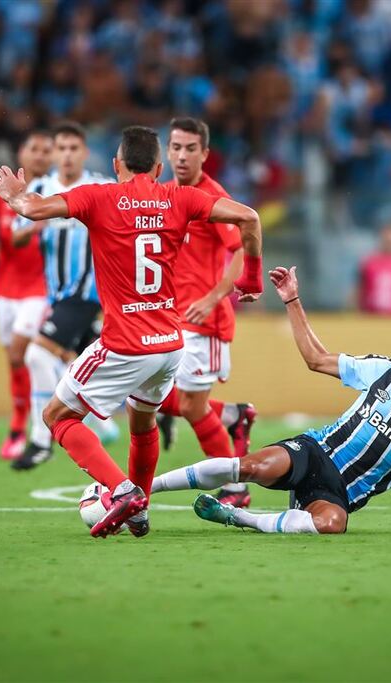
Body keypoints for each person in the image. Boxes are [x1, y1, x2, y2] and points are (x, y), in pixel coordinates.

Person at [0, 125, 265, 538]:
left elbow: (32, 209)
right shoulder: (181, 198)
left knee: (56, 417)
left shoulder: (99, 197)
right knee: (142, 421)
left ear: (116, 165)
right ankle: (139, 510)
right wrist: (252, 278)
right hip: (170, 344)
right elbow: (249, 217)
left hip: (124, 344)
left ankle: (122, 491)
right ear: (159, 167)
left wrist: (12, 194)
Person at [152, 266, 391, 538]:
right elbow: (316, 359)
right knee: (252, 466)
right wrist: (292, 300)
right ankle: (146, 487)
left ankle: (236, 517)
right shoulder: (383, 371)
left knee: (332, 525)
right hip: (314, 452)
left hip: (339, 493)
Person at [154, 117, 258, 508]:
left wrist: (214, 298)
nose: (182, 155)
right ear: (166, 151)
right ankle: (232, 416)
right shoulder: (163, 194)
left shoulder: (213, 197)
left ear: (205, 154)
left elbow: (242, 248)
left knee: (190, 406)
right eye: (176, 147)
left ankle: (236, 488)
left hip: (203, 322)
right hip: (168, 318)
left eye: (190, 148)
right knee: (140, 391)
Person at [8, 122, 115, 470]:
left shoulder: (101, 187)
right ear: (55, 154)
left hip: (88, 293)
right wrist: (34, 223)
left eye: (73, 148)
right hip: (58, 295)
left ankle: (42, 440)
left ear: (84, 153)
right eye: (62, 148)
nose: (67, 155)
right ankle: (139, 418)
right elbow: (16, 236)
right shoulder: (41, 189)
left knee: (38, 354)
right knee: (89, 363)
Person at [0, 130, 53, 461]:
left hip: (40, 288)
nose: (40, 155)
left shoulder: (53, 192)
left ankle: (30, 428)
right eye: (35, 149)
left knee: (23, 352)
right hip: (6, 289)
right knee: (15, 360)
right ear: (22, 153)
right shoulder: (3, 191)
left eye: (46, 150)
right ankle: (23, 424)